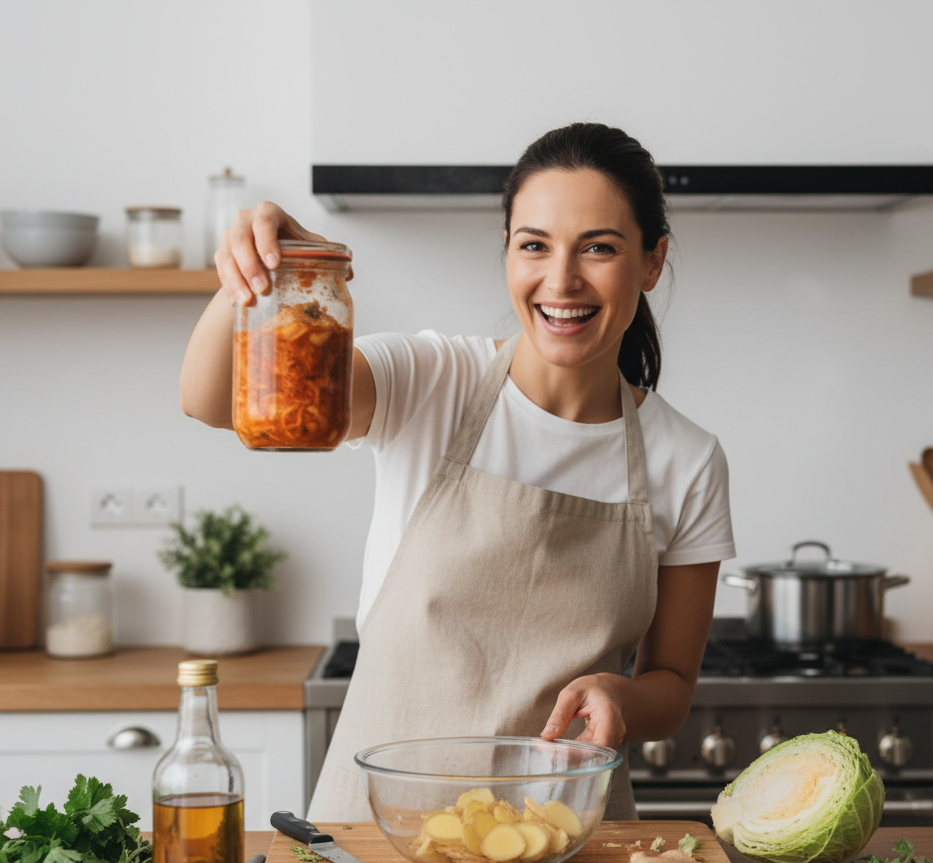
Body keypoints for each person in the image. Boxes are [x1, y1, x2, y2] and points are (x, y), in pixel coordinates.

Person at [180, 123, 735, 821]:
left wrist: (622, 698)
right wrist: (260, 274)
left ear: (652, 263)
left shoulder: (687, 459)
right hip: (376, 833)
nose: (561, 279)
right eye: (534, 245)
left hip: (561, 835)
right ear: (506, 252)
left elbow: (671, 685)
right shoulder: (430, 380)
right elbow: (208, 401)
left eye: (599, 248)